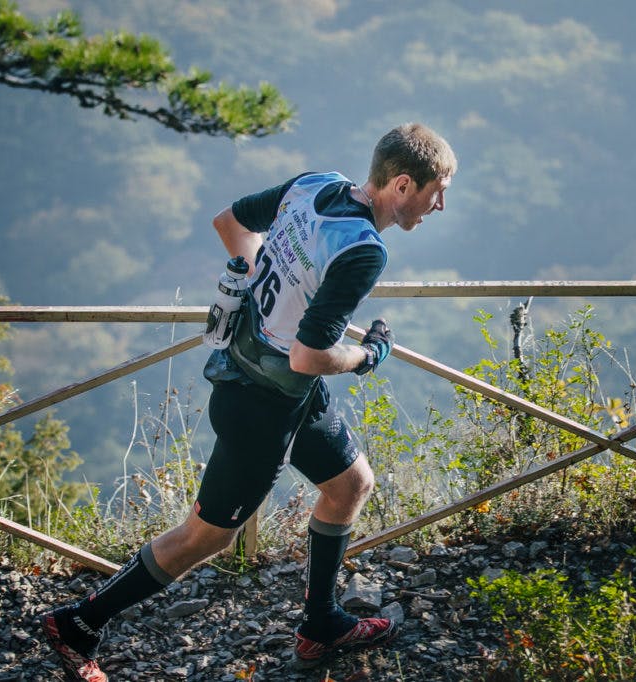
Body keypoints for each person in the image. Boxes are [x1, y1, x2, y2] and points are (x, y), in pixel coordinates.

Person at [39, 122, 457, 681]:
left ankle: (320, 624)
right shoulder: (363, 250)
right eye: (438, 189)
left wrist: (252, 271)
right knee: (207, 536)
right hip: (259, 405)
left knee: (350, 484)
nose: (441, 205)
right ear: (403, 185)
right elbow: (311, 355)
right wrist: (369, 354)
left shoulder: (315, 185)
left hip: (268, 378)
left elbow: (231, 224)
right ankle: (79, 624)